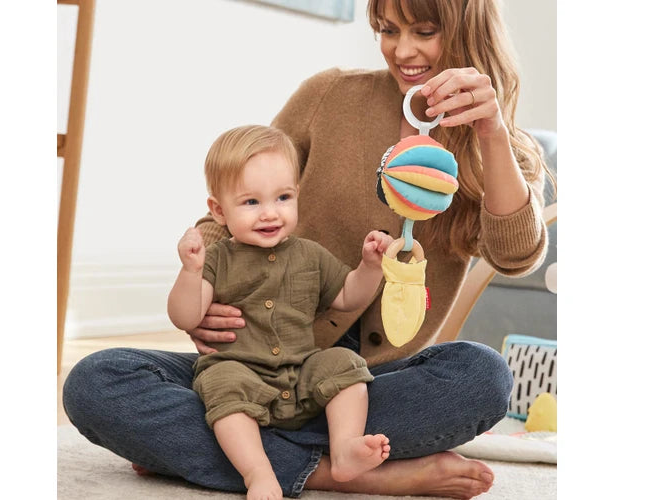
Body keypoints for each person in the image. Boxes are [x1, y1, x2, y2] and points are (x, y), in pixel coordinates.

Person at [63, 0, 552, 498]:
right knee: (97, 381)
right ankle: (338, 471)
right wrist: (204, 289)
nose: (402, 51)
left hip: (360, 386)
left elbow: (516, 256)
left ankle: (221, 450)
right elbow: (235, 198)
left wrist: (490, 134)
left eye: (424, 31)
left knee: (483, 376)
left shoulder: (501, 146)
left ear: (469, 30)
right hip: (248, 362)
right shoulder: (329, 95)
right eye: (388, 30)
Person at [169, 124, 393, 499]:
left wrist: (370, 267)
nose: (270, 213)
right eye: (251, 203)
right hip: (241, 375)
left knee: (344, 362)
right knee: (220, 381)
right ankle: (258, 472)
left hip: (301, 375)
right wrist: (190, 272)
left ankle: (344, 449)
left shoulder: (310, 254)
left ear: (296, 195)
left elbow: (348, 297)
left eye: (283, 197)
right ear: (219, 211)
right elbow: (185, 317)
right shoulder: (218, 258)